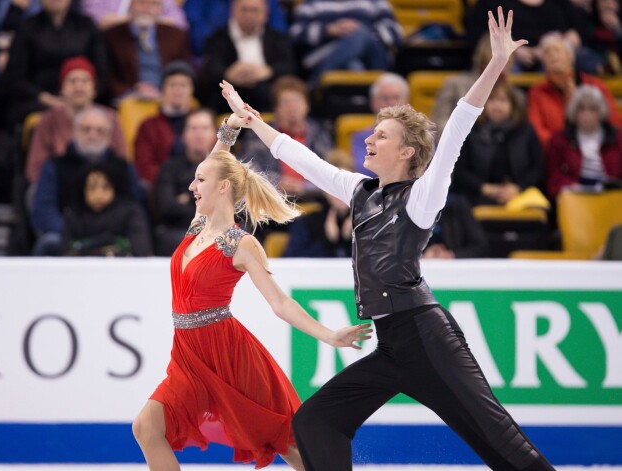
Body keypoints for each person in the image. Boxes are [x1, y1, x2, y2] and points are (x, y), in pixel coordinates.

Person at [220, 7, 557, 470]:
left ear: (407, 151)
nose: (370, 140)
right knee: (317, 421)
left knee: (498, 441)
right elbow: (304, 159)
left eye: (382, 135)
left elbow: (458, 125)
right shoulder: (359, 192)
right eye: (371, 133)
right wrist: (252, 121)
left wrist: (496, 63)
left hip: (429, 340)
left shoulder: (422, 197)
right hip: (394, 343)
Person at [131, 114, 372, 470]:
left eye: (199, 180)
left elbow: (279, 303)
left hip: (230, 356)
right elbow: (216, 166)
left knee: (285, 442)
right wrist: (229, 128)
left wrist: (329, 333)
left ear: (224, 188)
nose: (191, 187)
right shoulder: (197, 227)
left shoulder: (241, 244)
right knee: (147, 427)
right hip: (188, 355)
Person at [30, 106, 140, 256]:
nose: (93, 135)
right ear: (74, 132)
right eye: (86, 129)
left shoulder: (123, 167)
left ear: (109, 136)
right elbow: (43, 212)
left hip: (114, 236)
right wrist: (76, 232)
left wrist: (101, 235)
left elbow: (134, 206)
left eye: (100, 131)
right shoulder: (54, 166)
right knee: (50, 242)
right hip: (68, 235)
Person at [25, 56, 127, 185]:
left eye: (85, 81)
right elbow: (34, 169)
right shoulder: (47, 121)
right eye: (72, 81)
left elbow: (122, 162)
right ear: (62, 88)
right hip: (60, 188)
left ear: (94, 89)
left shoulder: (111, 119)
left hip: (103, 191)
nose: (79, 87)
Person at [451, 80, 544, 206]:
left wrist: (518, 187)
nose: (497, 106)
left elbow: (537, 168)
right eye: (492, 100)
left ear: (513, 105)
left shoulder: (525, 130)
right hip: (477, 195)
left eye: (502, 100)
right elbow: (461, 171)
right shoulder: (471, 129)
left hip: (519, 195)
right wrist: (485, 188)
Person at [240, 75, 333, 200]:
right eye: (286, 102)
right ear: (276, 108)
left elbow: (330, 174)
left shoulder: (319, 134)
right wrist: (276, 182)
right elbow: (248, 169)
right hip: (272, 200)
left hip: (313, 200)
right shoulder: (259, 133)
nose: (292, 107)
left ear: (307, 105)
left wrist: (304, 187)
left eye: (296, 101)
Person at [527, 32, 622, 149]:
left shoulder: (594, 85)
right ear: (543, 62)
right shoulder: (537, 91)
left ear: (570, 56)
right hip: (556, 151)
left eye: (557, 50)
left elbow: (613, 120)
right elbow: (536, 128)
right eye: (547, 52)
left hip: (596, 147)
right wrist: (560, 146)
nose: (552, 55)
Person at [201, 0, 296, 113]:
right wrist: (228, 74)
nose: (249, 15)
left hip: (267, 92)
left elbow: (290, 66)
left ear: (265, 14)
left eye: (254, 10)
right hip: (229, 95)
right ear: (233, 11)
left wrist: (268, 71)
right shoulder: (216, 38)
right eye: (244, 10)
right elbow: (210, 67)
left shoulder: (278, 38)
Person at [289, 0, 403, 85]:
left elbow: (395, 32)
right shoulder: (312, 4)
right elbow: (295, 33)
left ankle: (315, 83)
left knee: (359, 34)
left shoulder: (374, 2)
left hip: (372, 58)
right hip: (326, 54)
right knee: (354, 65)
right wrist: (327, 30)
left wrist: (362, 32)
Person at [153, 108, 217, 256]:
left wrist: (187, 198)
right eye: (193, 129)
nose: (199, 134)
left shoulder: (227, 168)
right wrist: (209, 204)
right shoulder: (169, 167)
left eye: (205, 128)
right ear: (183, 135)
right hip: (179, 231)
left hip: (217, 230)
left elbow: (237, 208)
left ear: (215, 135)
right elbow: (166, 207)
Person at [102, 0, 192, 103]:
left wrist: (167, 90)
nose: (147, 8)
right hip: (128, 99)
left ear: (160, 9)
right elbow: (107, 75)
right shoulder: (112, 35)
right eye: (141, 2)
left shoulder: (175, 35)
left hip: (168, 98)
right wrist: (132, 91)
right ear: (130, 6)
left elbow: (186, 69)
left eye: (153, 3)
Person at [545, 84, 622, 199]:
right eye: (582, 109)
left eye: (592, 109)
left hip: (611, 195)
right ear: (574, 112)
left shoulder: (617, 137)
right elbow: (554, 177)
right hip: (575, 196)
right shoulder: (560, 139)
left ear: (601, 111)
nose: (587, 114)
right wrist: (571, 185)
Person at [63, 163, 152, 256]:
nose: (98, 194)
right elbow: (66, 252)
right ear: (83, 190)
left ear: (114, 189)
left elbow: (140, 249)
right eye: (92, 188)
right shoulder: (74, 215)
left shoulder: (130, 213)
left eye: (105, 188)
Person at [134, 60, 197, 190]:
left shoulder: (201, 122)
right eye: (172, 85)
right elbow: (144, 165)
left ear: (191, 90)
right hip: (161, 188)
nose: (178, 89)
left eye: (183, 85)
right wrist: (169, 185)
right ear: (162, 90)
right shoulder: (148, 126)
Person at [351, 72, 409, 176]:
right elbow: (366, 170)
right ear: (373, 102)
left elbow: (428, 168)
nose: (391, 103)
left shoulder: (422, 135)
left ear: (406, 101)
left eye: (396, 97)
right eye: (385, 98)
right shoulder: (361, 138)